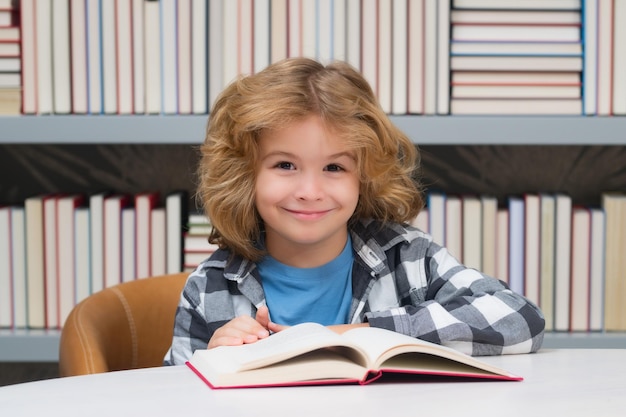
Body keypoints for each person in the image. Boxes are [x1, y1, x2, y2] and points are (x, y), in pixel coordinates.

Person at [163, 57, 545, 366]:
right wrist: (211, 364)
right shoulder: (210, 287)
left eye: (334, 168)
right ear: (246, 174)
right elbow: (170, 399)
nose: (310, 192)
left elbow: (519, 319)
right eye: (284, 165)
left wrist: (363, 333)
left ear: (364, 176)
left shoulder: (409, 258)